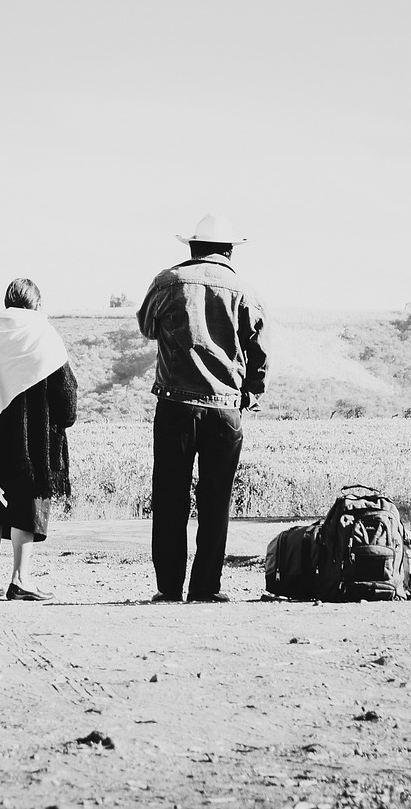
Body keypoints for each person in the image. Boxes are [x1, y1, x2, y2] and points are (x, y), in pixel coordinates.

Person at [137, 214, 269, 603]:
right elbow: (259, 351)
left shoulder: (167, 281)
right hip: (225, 408)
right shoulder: (244, 290)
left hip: (175, 404)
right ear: (228, 250)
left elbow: (147, 327)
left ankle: (168, 588)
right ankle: (206, 588)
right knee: (216, 501)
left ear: (192, 247)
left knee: (169, 496)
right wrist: (250, 392)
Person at [0, 278, 78, 601]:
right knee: (28, 503)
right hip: (34, 443)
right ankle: (21, 578)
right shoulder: (44, 335)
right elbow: (67, 403)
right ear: (37, 304)